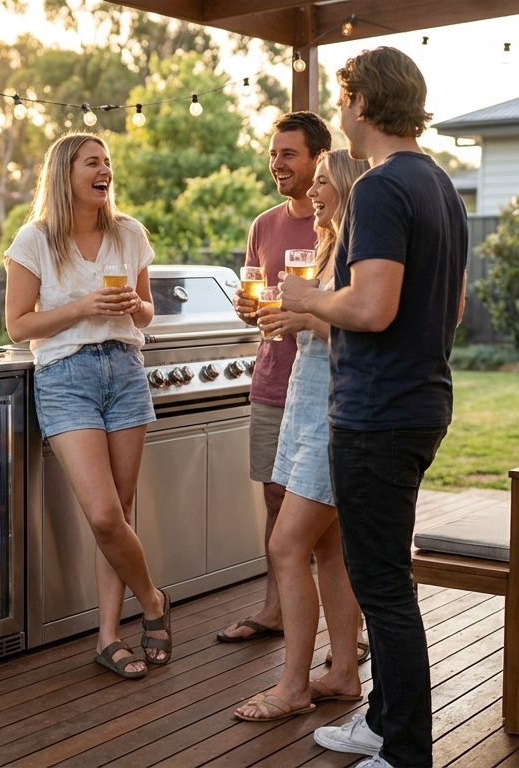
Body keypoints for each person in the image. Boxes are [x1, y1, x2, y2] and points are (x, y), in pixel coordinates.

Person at [283, 48, 467, 768]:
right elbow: (449, 307)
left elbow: (371, 305)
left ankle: (406, 751)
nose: (341, 109)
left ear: (361, 103)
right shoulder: (439, 185)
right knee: (381, 570)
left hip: (377, 414)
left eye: (343, 95)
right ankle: (383, 719)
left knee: (382, 585)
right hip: (419, 402)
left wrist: (306, 299)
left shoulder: (385, 188)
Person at [5, 132, 172, 680]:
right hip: (66, 378)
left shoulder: (129, 234)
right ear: (65, 174)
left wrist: (134, 305)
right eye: (92, 163)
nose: (105, 170)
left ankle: (107, 636)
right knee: (103, 515)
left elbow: (146, 314)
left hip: (124, 371)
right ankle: (153, 601)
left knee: (120, 514)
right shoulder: (34, 241)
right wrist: (84, 306)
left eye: (108, 163)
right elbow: (18, 325)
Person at [234, 149, 369, 722]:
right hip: (304, 406)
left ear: (345, 190)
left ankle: (291, 686)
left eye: (321, 185)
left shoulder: (359, 254)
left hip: (332, 416)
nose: (311, 194)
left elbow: (368, 336)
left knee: (286, 544)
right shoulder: (326, 247)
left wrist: (307, 318)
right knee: (328, 548)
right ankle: (340, 673)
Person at [217, 111, 330, 645]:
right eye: (272, 153)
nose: (276, 163)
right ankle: (274, 606)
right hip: (270, 380)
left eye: (288, 154)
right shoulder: (263, 225)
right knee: (275, 498)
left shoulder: (336, 221)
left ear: (317, 158)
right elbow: (257, 301)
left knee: (327, 510)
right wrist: (247, 307)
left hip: (323, 385)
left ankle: (339, 624)